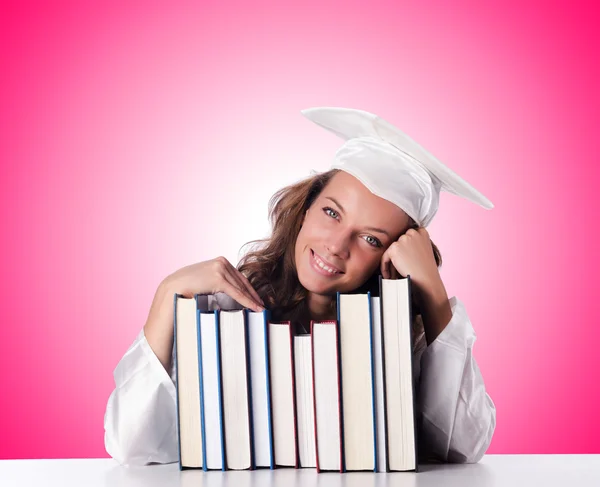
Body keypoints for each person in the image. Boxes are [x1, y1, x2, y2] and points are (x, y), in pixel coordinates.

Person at [103, 107, 497, 467]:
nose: (335, 246)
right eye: (331, 213)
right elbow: (131, 445)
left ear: (391, 256)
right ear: (306, 206)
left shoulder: (402, 339)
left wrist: (432, 290)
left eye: (371, 240)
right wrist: (164, 296)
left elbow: (462, 449)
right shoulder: (225, 312)